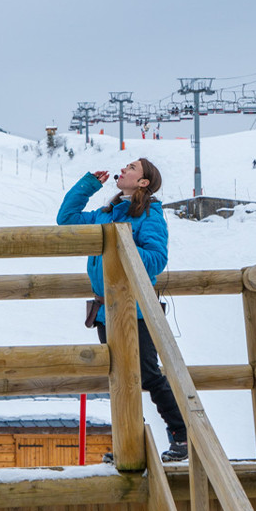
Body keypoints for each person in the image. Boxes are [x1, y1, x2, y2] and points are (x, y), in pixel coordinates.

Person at [57, 159, 188, 462]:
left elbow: (156, 259)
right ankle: (129, 445)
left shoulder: (150, 213)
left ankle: (182, 436)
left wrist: (120, 241)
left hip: (136, 309)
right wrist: (88, 185)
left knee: (148, 374)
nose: (124, 170)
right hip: (105, 311)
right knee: (118, 376)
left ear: (143, 182)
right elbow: (66, 220)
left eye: (132, 168)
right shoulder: (106, 213)